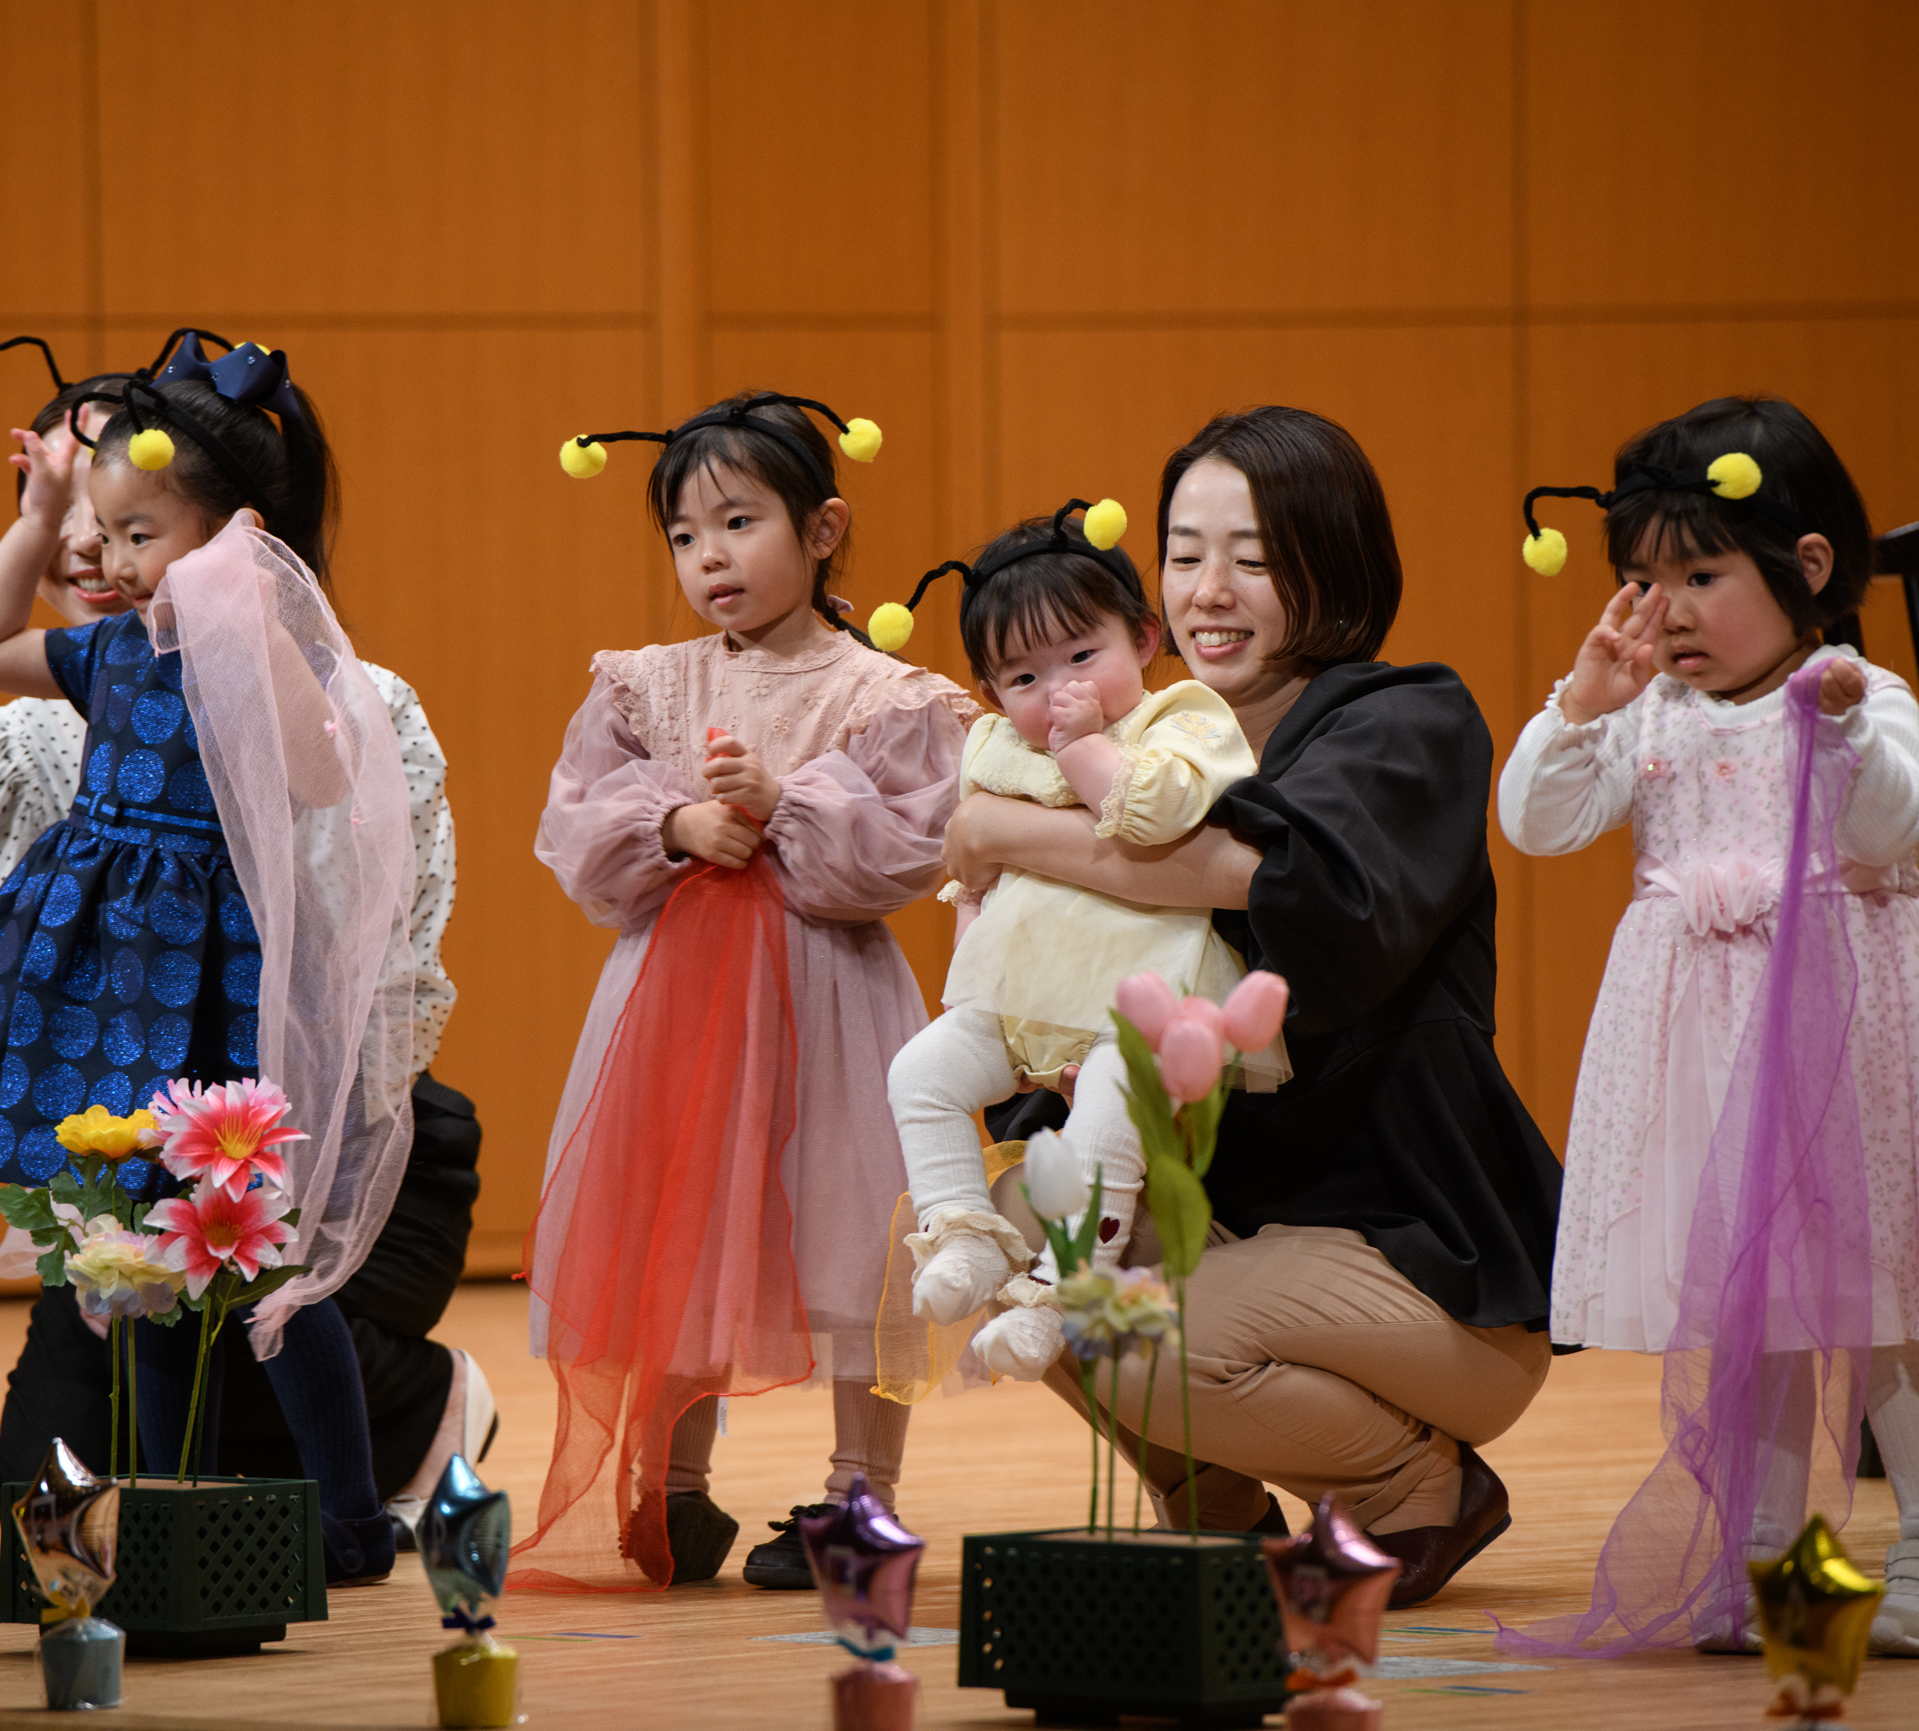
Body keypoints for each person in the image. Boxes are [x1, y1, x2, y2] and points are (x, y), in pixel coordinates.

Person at [942, 405, 1563, 1608]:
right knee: (1022, 1225)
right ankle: (1215, 1511)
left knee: (1117, 1325)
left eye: (1254, 556)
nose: (1208, 590)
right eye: (1183, 553)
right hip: (1254, 1240)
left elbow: (1292, 885)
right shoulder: (1143, 737)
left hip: (1421, 1267)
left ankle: (1413, 1485)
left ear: (1332, 561)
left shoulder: (1404, 720)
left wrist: (1001, 828)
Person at [0, 366, 494, 1542]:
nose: (108, 552)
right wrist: (34, 517)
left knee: (259, 1280)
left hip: (238, 1027)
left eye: (135, 528)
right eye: (92, 522)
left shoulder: (280, 668)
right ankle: (172, 1512)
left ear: (228, 532)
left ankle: (359, 1502)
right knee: (125, 1312)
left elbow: (320, 774)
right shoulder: (103, 658)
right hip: (117, 1027)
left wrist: (245, 607)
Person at [514, 392, 976, 1592]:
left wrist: (786, 806)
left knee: (853, 1236)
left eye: (737, 521)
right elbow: (579, 828)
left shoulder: (883, 693)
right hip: (674, 1004)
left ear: (822, 528)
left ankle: (858, 1493)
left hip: (827, 1000)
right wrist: (673, 822)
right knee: (682, 1220)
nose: (708, 556)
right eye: (682, 534)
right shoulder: (645, 682)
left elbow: (904, 852)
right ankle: (674, 1483)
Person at [1496, 395, 1919, 1654]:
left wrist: (1840, 727)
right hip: (1700, 1047)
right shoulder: (1648, 714)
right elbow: (1533, 821)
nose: (1665, 610)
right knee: (1752, 1307)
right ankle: (1760, 1559)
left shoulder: (1863, 693)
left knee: (1880, 1304)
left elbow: (1887, 825)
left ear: (1806, 566)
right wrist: (1580, 702)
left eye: (1698, 575)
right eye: (1642, 580)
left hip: (1838, 1040)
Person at [876, 501, 1283, 1386]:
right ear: (990, 693)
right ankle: (963, 1231)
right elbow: (976, 877)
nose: (1057, 689)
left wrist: (1085, 749)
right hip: (1022, 988)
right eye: (1023, 676)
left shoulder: (1182, 717)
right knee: (919, 1071)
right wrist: (974, 984)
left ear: (1143, 637)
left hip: (1142, 989)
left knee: (1105, 1108)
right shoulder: (993, 745)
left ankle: (1063, 1289)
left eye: (1081, 657)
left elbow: (1156, 812)